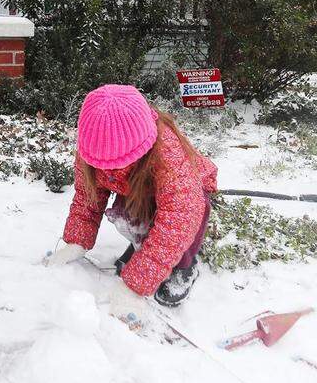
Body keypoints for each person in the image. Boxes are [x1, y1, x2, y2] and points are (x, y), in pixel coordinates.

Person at [45, 85, 218, 313]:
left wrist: (136, 284)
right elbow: (88, 196)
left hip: (191, 200)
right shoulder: (92, 145)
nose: (108, 169)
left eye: (119, 162)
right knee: (126, 218)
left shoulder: (169, 155)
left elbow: (180, 218)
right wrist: (77, 241)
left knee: (178, 229)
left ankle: (184, 267)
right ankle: (142, 245)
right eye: (102, 164)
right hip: (140, 191)